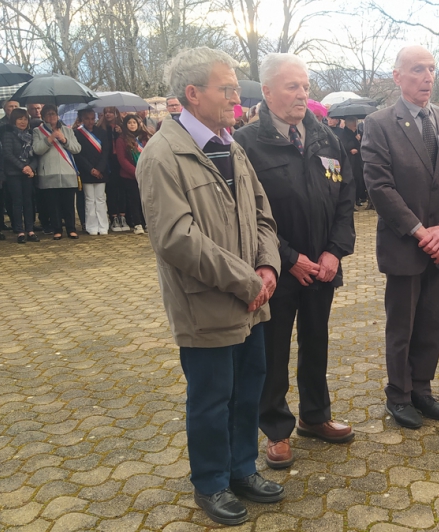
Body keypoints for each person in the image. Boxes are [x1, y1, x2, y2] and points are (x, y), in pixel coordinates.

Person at [137, 46, 283, 527]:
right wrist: (245, 280)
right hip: (207, 305)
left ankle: (242, 469)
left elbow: (262, 214)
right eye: (226, 87)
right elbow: (177, 239)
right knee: (211, 397)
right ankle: (211, 482)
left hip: (251, 301)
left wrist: (267, 268)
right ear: (192, 93)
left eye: (236, 86)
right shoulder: (162, 155)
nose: (236, 96)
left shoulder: (232, 145)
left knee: (248, 390)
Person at [234, 53, 356, 470]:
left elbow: (345, 200)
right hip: (279, 270)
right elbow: (248, 215)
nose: (302, 94)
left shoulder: (326, 138)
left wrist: (334, 252)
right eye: (292, 86)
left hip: (323, 268)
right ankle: (276, 430)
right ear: (267, 92)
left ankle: (315, 416)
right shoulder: (248, 144)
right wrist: (290, 259)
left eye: (305, 86)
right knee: (274, 350)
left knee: (316, 343)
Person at [361, 45, 439, 429]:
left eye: (430, 69)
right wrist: (420, 230)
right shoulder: (378, 123)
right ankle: (400, 395)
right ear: (397, 76)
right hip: (406, 244)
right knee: (403, 325)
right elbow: (379, 185)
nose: (427, 77)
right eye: (416, 70)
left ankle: (423, 389)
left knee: (434, 322)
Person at [33, 104, 82, 240]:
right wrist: (50, 139)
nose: (51, 117)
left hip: (67, 171)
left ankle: (71, 229)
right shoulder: (38, 131)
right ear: (43, 117)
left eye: (53, 114)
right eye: (48, 114)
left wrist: (64, 140)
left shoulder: (67, 130)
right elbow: (37, 150)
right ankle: (57, 229)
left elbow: (77, 148)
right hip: (48, 173)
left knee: (68, 204)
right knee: (53, 205)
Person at [1, 108, 38, 243]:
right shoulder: (8, 134)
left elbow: (35, 155)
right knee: (17, 202)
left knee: (28, 202)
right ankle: (19, 231)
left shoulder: (30, 134)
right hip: (14, 173)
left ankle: (30, 230)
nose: (23, 122)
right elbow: (8, 154)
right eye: (20, 119)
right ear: (13, 120)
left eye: (25, 119)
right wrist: (23, 167)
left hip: (28, 173)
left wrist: (31, 167)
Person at [73, 109, 110, 235]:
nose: (90, 121)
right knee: (89, 199)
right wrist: (90, 169)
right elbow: (78, 155)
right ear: (82, 119)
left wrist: (99, 168)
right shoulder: (77, 133)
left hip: (101, 170)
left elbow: (106, 152)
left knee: (100, 198)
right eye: (87, 119)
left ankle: (103, 225)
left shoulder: (102, 132)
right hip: (86, 171)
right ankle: (91, 226)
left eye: (92, 118)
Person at [115, 115, 148, 235]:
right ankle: (137, 223)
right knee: (134, 200)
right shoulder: (121, 140)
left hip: (145, 174)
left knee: (145, 200)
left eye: (134, 122)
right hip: (130, 175)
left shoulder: (143, 138)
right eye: (129, 123)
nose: (132, 125)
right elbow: (122, 159)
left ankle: (146, 222)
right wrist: (136, 172)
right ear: (125, 125)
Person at [97, 106, 129, 232]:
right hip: (108, 162)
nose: (108, 114)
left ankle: (123, 216)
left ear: (116, 113)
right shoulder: (100, 128)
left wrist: (122, 132)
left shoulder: (122, 127)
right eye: (106, 112)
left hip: (120, 162)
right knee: (111, 191)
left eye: (111, 112)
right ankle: (113, 217)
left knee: (122, 191)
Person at [340, 116, 367, 206]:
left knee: (359, 179)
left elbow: (362, 145)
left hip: (358, 160)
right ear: (350, 124)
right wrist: (354, 142)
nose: (356, 125)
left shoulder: (357, 133)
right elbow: (345, 146)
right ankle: (352, 200)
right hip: (350, 161)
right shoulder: (344, 134)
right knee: (352, 179)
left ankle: (358, 198)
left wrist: (359, 140)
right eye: (354, 123)